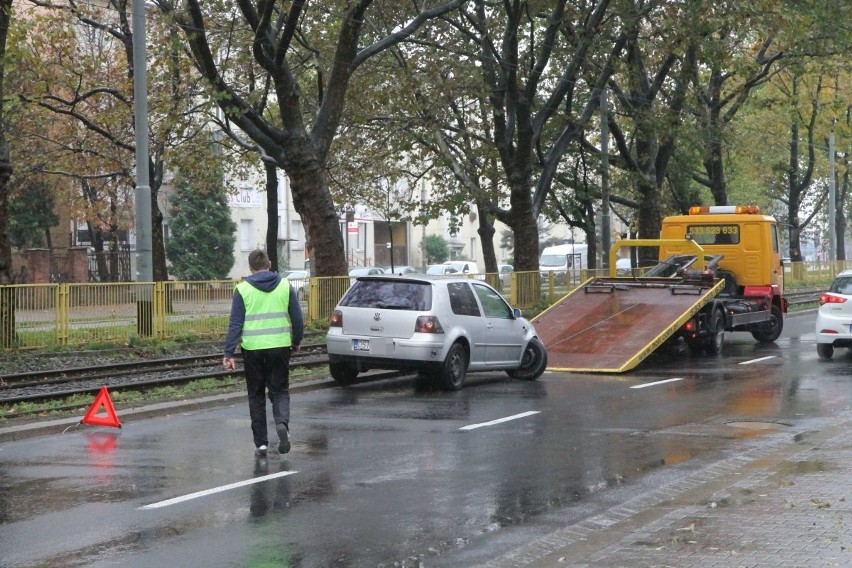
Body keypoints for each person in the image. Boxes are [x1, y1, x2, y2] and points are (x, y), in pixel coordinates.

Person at [223, 249, 304, 457]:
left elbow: (236, 323)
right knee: (280, 391)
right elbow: (297, 319)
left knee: (256, 395)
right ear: (269, 265)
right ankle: (282, 424)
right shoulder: (285, 286)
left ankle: (261, 444)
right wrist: (296, 342)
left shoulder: (242, 289)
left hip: (252, 350)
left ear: (250, 268)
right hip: (279, 347)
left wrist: (229, 352)